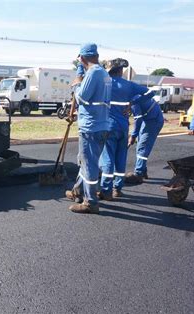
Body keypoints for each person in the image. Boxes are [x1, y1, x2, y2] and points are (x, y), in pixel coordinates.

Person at [65, 43, 112, 214]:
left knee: (89, 163)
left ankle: (90, 202)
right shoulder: (104, 73)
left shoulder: (93, 73)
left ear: (83, 58)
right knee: (85, 160)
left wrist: (77, 84)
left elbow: (82, 97)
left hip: (91, 126)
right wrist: (80, 73)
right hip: (101, 124)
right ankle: (78, 191)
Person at [99, 58, 151, 200]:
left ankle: (106, 190)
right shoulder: (129, 85)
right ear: (121, 71)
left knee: (108, 158)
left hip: (108, 126)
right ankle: (118, 188)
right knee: (121, 157)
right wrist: (132, 103)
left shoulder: (104, 84)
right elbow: (149, 93)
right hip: (123, 127)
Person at [124, 93, 164, 184]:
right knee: (140, 145)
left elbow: (138, 119)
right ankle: (143, 169)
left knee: (143, 146)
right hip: (146, 119)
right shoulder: (131, 97)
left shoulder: (133, 101)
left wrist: (133, 136)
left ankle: (138, 174)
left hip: (154, 121)